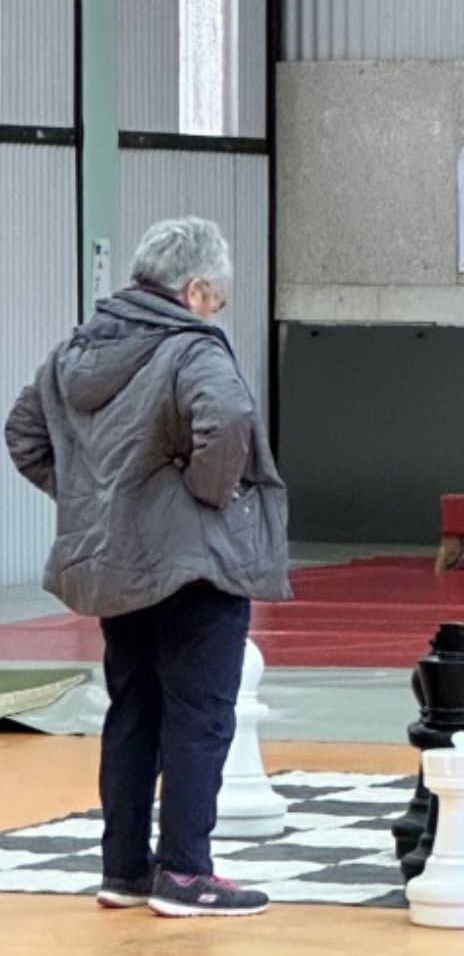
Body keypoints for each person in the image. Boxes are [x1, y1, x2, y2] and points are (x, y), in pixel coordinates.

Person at [5, 217, 292, 913]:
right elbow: (227, 418)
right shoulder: (191, 348)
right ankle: (186, 873)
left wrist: (97, 500)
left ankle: (125, 871)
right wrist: (207, 492)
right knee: (200, 715)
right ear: (194, 290)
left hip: (119, 565)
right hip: (195, 564)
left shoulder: (73, 352)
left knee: (133, 711)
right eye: (216, 298)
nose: (215, 310)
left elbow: (23, 435)